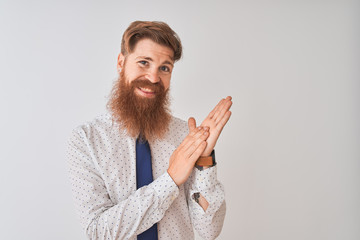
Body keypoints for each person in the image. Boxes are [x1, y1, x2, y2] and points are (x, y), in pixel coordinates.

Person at [66, 21, 232, 240]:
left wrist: (204, 161)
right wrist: (170, 180)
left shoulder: (186, 136)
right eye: (144, 63)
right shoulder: (86, 140)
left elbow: (208, 230)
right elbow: (99, 232)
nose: (154, 78)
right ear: (121, 62)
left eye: (164, 68)